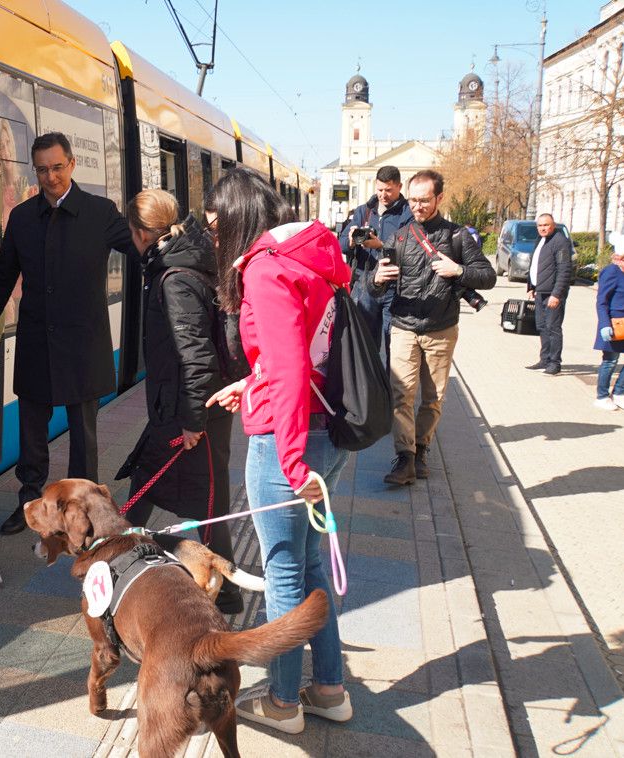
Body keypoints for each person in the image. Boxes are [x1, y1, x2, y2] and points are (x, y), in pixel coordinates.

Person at [204, 167, 352, 734]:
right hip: (323, 428)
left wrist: (289, 462)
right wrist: (251, 381)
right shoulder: (312, 254)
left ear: (240, 219)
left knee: (284, 570)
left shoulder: (265, 268)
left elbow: (290, 367)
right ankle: (330, 689)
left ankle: (284, 701)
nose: (216, 242)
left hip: (285, 439)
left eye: (219, 229)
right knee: (310, 563)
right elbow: (303, 351)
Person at [0, 132, 137, 535]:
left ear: (72, 165)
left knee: (83, 439)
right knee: (32, 436)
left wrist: (176, 247)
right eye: (43, 170)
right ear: (35, 171)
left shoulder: (100, 212)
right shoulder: (22, 217)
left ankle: (83, 512)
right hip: (37, 343)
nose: (51, 176)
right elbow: (2, 280)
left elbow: (139, 247)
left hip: (82, 344)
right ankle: (29, 504)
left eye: (57, 167)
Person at [118, 189, 242, 614]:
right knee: (160, 485)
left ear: (139, 234)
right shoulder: (183, 264)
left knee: (205, 501)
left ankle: (224, 590)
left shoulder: (175, 279)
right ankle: (115, 561)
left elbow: (197, 357)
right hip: (178, 409)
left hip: (188, 413)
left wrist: (192, 421)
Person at [370, 170, 496, 485]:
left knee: (433, 397)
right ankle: (405, 457)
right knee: (401, 395)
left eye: (424, 200)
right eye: (413, 200)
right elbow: (373, 288)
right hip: (403, 327)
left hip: (441, 329)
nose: (418, 206)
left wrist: (459, 269)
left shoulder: (457, 237)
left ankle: (422, 448)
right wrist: (376, 280)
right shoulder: (398, 237)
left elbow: (488, 276)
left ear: (439, 198)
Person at [338, 165, 412, 365]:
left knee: (393, 348)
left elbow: (411, 251)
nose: (383, 195)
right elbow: (340, 245)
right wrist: (352, 240)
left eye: (389, 190)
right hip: (365, 286)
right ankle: (370, 391)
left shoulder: (408, 214)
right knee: (366, 346)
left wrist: (380, 245)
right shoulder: (364, 211)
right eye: (379, 190)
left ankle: (390, 393)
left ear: (399, 186)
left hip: (395, 289)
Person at [525, 213, 574, 376]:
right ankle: (544, 359)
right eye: (540, 225)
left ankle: (555, 362)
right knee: (542, 326)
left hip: (553, 294)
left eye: (546, 225)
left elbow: (564, 270)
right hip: (540, 291)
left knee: (553, 328)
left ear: (553, 226)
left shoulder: (560, 242)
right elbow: (536, 265)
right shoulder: (540, 240)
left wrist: (557, 294)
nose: (542, 228)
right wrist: (531, 286)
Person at [593, 247, 624, 410]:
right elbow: (602, 301)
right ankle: (602, 396)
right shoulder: (611, 272)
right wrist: (605, 324)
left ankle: (619, 392)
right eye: (623, 259)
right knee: (610, 361)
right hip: (615, 323)